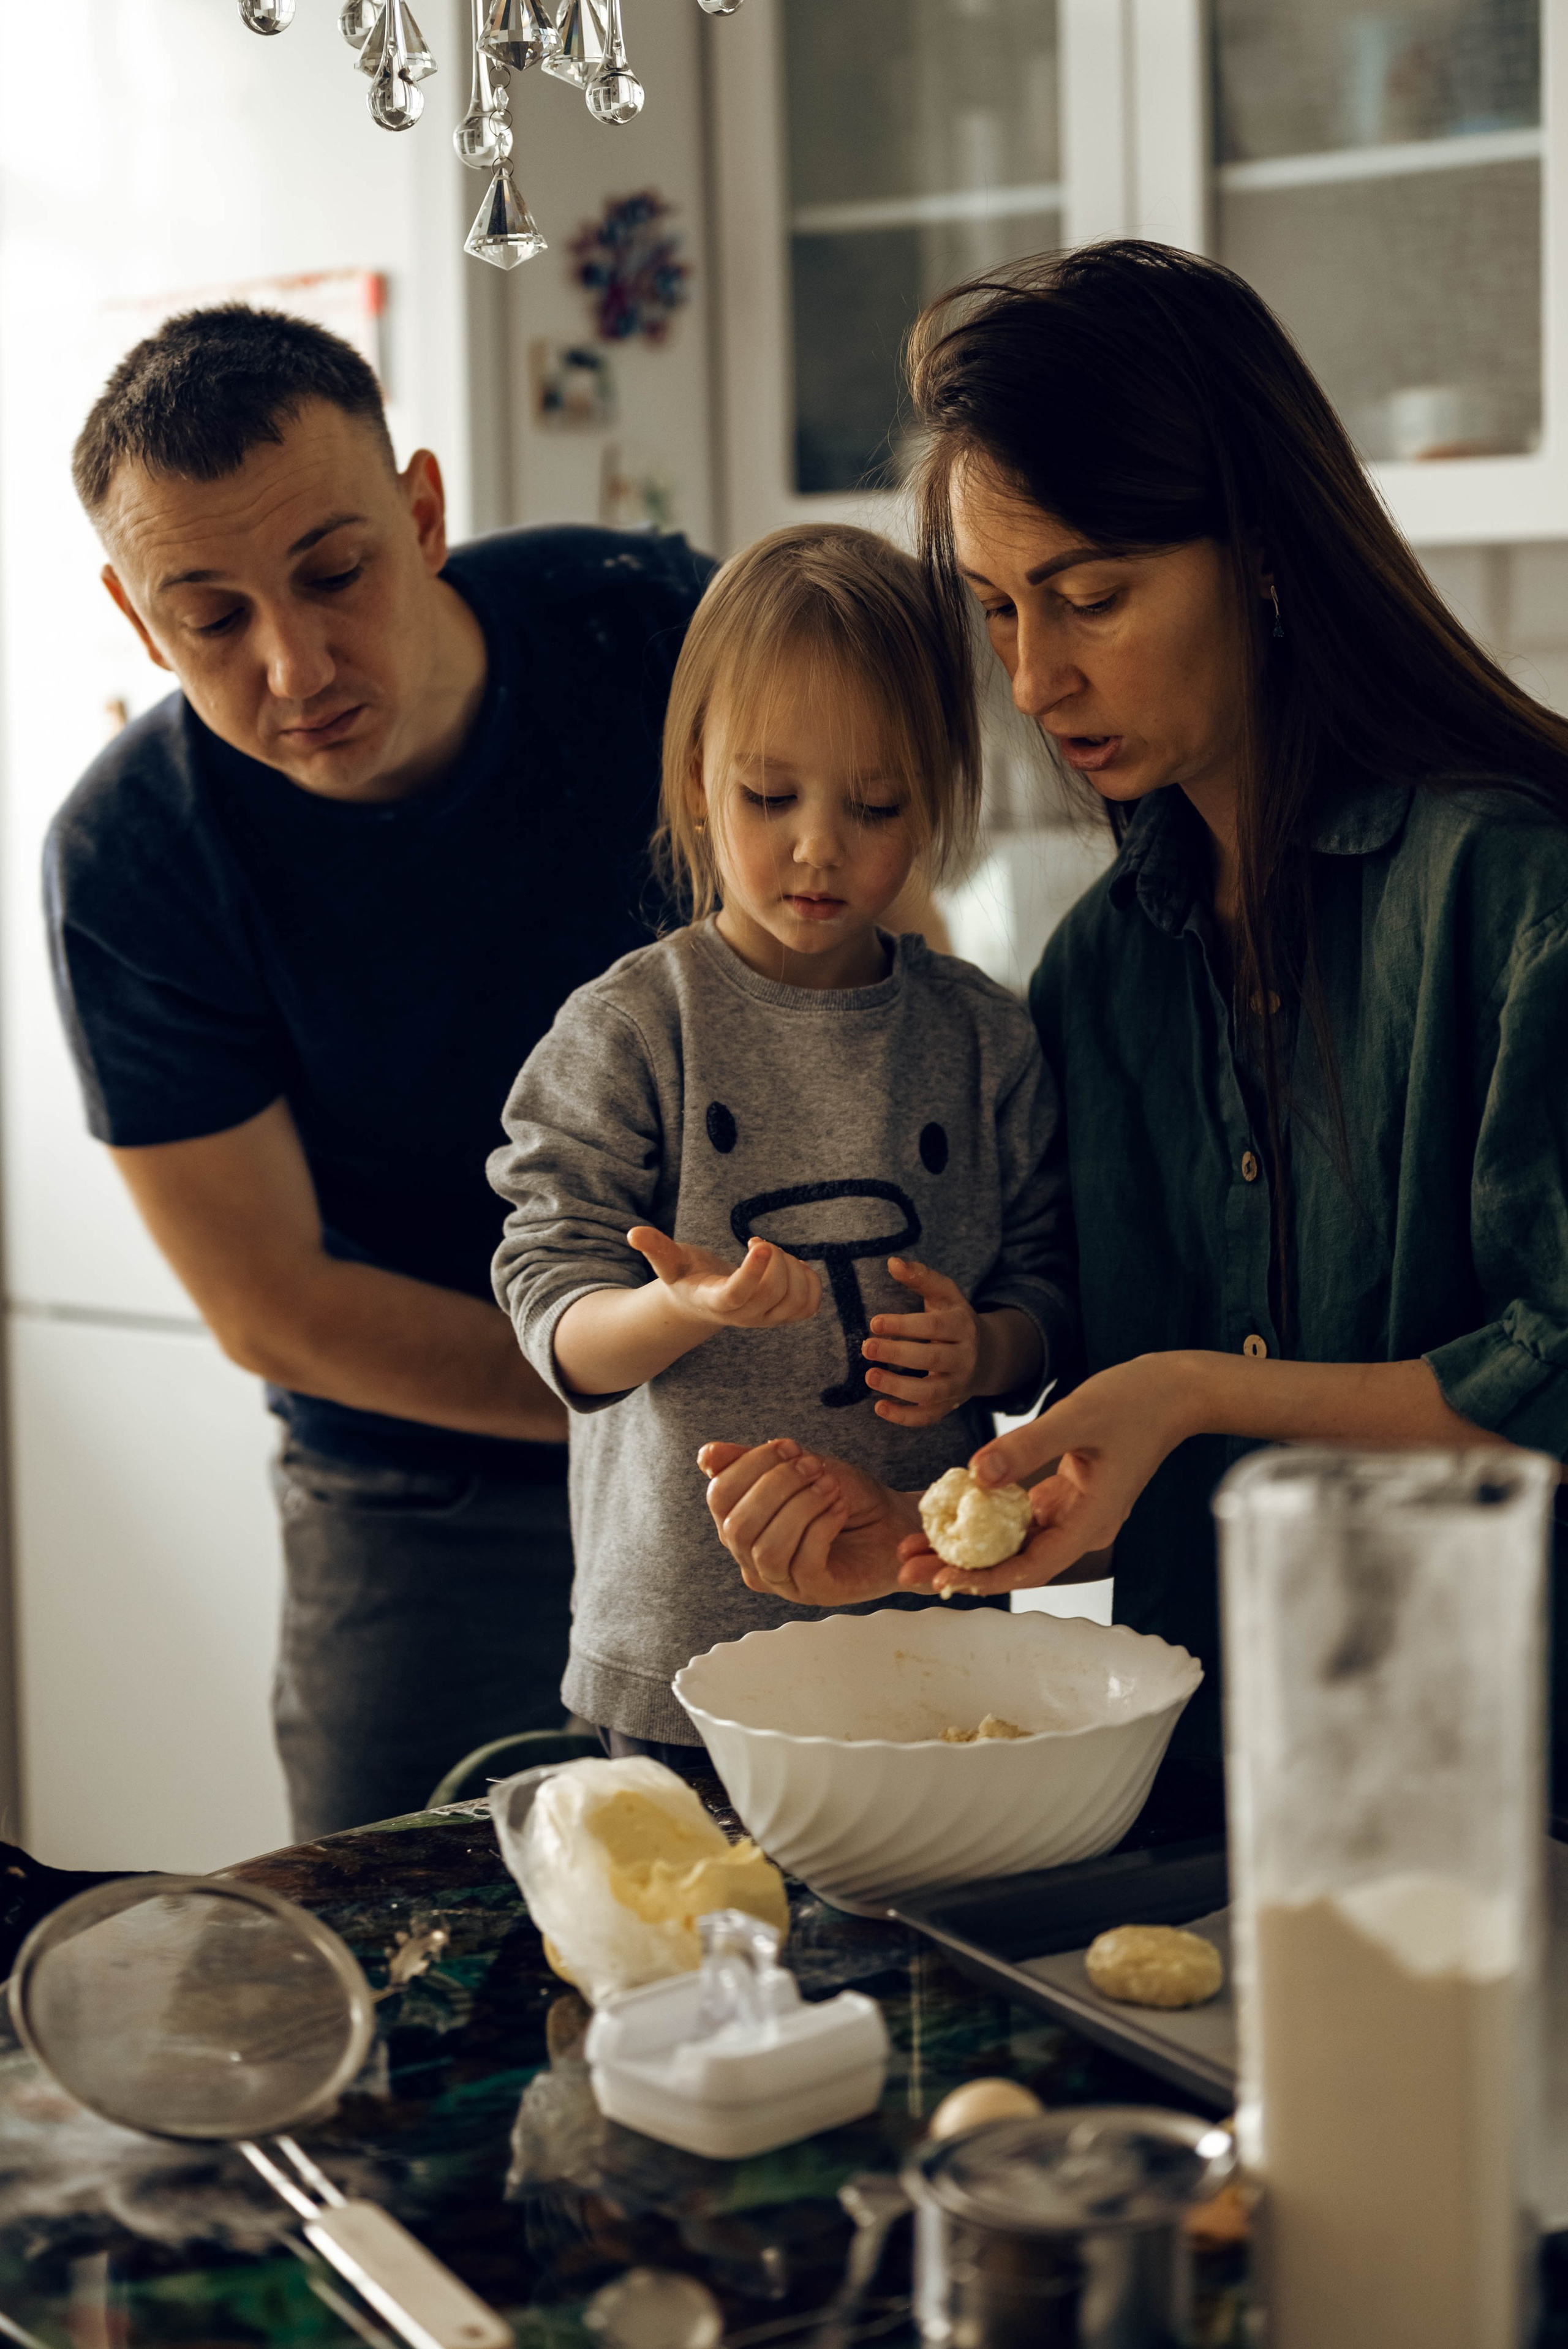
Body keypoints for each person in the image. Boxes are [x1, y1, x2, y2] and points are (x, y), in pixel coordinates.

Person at [699, 242, 1568, 1801]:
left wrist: (1199, 1389)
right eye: (995, 612)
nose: (1033, 677)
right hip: (1209, 1778)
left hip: (1503, 1787)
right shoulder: (1098, 969)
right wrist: (900, 1535)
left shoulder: (1506, 894)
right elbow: (1086, 1402)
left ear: (1261, 552)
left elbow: (1551, 1380)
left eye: (1089, 596)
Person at [45, 304, 717, 1840]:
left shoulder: (647, 629)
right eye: (208, 618)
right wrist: (638, 1391)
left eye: (335, 574)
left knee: (843, 1950)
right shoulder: (133, 858)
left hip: (778, 1466)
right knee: (405, 1994)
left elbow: (874, 952)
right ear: (138, 620)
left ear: (421, 515)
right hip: (426, 1508)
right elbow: (272, 1300)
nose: (292, 664)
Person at [488, 525, 1077, 1759]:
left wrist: (981, 1352)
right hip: (679, 1664)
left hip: (927, 1633)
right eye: (770, 797)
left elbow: (1049, 1297)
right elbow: (556, 1319)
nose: (819, 846)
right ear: (696, 774)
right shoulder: (632, 1032)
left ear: (938, 798)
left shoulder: (982, 1041)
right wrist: (682, 1310)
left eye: (875, 805)